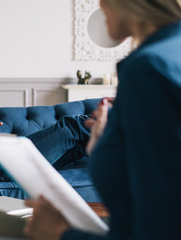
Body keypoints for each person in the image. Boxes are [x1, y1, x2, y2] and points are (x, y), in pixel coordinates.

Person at [23, 0, 181, 239]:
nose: (100, 3)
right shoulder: (169, 54)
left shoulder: (149, 67)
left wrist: (60, 233)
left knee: (72, 126)